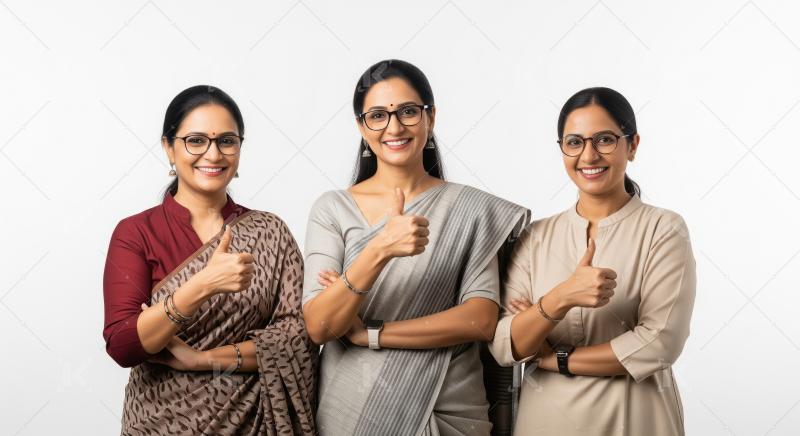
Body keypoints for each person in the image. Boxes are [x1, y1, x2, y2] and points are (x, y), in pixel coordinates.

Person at [302, 59, 530, 436]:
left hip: (449, 405)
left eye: (408, 112)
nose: (394, 127)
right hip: (355, 409)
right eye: (377, 115)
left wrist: (370, 333)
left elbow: (480, 318)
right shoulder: (332, 209)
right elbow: (320, 324)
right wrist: (380, 250)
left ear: (431, 117)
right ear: (361, 125)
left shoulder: (470, 209)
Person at [102, 85, 316, 435]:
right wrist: (202, 285)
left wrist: (202, 361)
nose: (213, 154)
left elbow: (297, 342)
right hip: (159, 424)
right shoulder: (136, 232)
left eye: (227, 141)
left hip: (255, 423)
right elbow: (124, 345)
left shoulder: (271, 233)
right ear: (169, 148)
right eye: (196, 140)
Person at [489, 87, 696, 435]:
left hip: (634, 419)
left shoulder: (664, 229)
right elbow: (506, 344)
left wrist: (552, 357)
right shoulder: (535, 236)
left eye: (604, 140)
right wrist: (561, 297)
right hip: (546, 421)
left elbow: (660, 343)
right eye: (574, 142)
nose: (588, 155)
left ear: (632, 145)